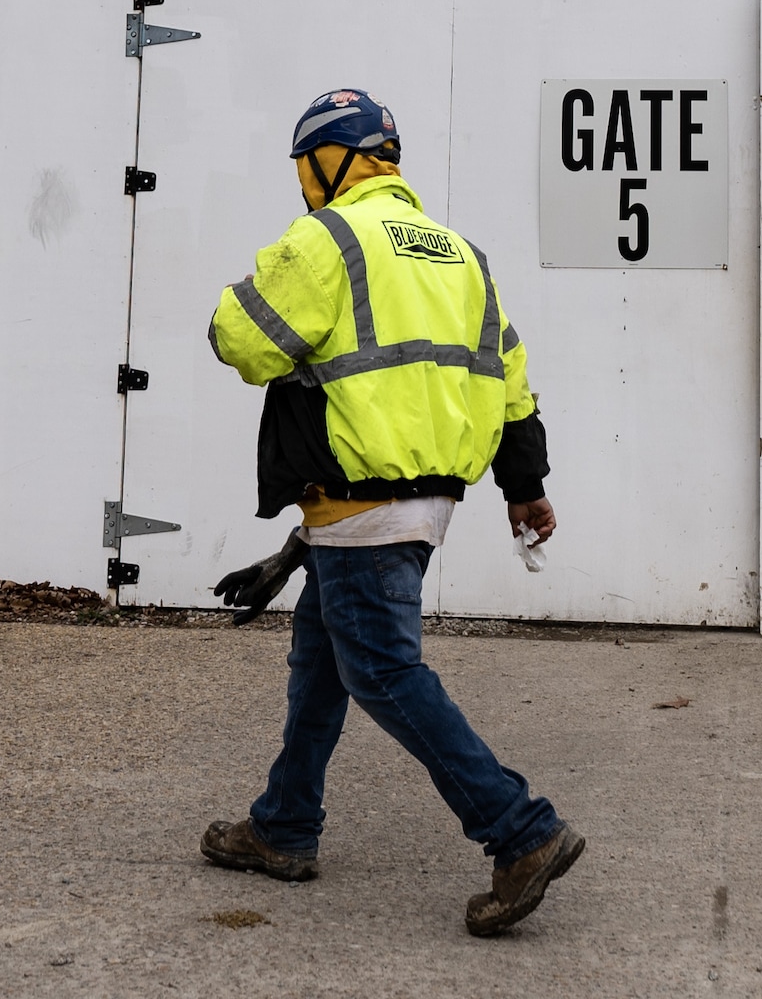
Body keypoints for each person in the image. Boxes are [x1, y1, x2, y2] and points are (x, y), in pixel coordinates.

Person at [200, 87, 584, 938]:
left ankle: (521, 829)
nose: (303, 181)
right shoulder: (461, 255)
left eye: (304, 166)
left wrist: (234, 301)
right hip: (421, 498)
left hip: (363, 498)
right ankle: (283, 827)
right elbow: (510, 379)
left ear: (329, 160)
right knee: (321, 657)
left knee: (380, 669)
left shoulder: (329, 238)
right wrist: (526, 486)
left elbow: (247, 340)